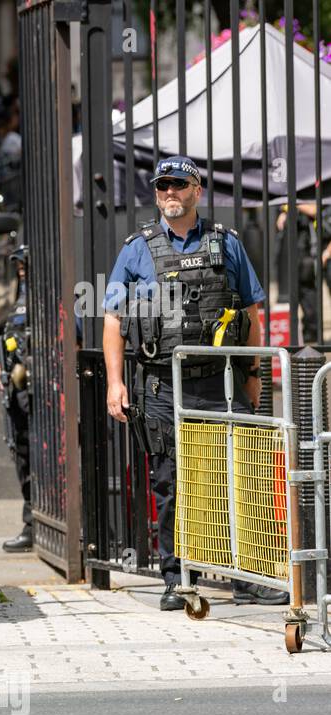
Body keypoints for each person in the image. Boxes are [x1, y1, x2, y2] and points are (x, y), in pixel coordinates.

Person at [102, 156, 286, 610]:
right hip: (162, 387)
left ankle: (249, 577)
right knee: (170, 482)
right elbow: (113, 320)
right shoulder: (136, 249)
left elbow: (249, 314)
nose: (169, 193)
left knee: (242, 475)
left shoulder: (227, 245)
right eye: (162, 185)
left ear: (197, 191)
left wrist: (253, 373)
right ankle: (176, 576)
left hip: (220, 382)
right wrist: (113, 383)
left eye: (179, 185)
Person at [0, 246, 33, 553]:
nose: (21, 269)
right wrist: (1, 366)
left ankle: (41, 524)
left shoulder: (51, 294)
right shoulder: (19, 298)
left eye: (25, 264)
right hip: (15, 391)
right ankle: (32, 522)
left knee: (43, 458)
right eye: (18, 265)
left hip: (39, 393)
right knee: (21, 455)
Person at [275, 201, 331, 345]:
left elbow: (315, 210)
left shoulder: (313, 195)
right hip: (295, 254)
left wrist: (291, 203)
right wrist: (285, 211)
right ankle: (306, 332)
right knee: (297, 294)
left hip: (311, 253)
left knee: (310, 294)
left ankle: (312, 332)